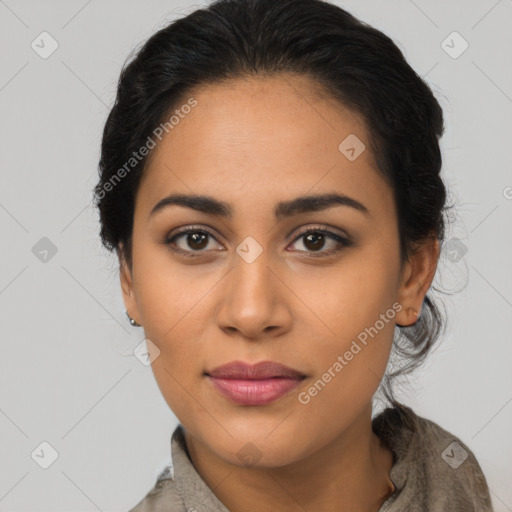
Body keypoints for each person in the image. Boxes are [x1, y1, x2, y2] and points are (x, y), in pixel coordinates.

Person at [93, 0, 494, 510]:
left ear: (412, 273)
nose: (252, 312)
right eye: (195, 239)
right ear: (129, 276)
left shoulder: (457, 484)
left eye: (315, 240)